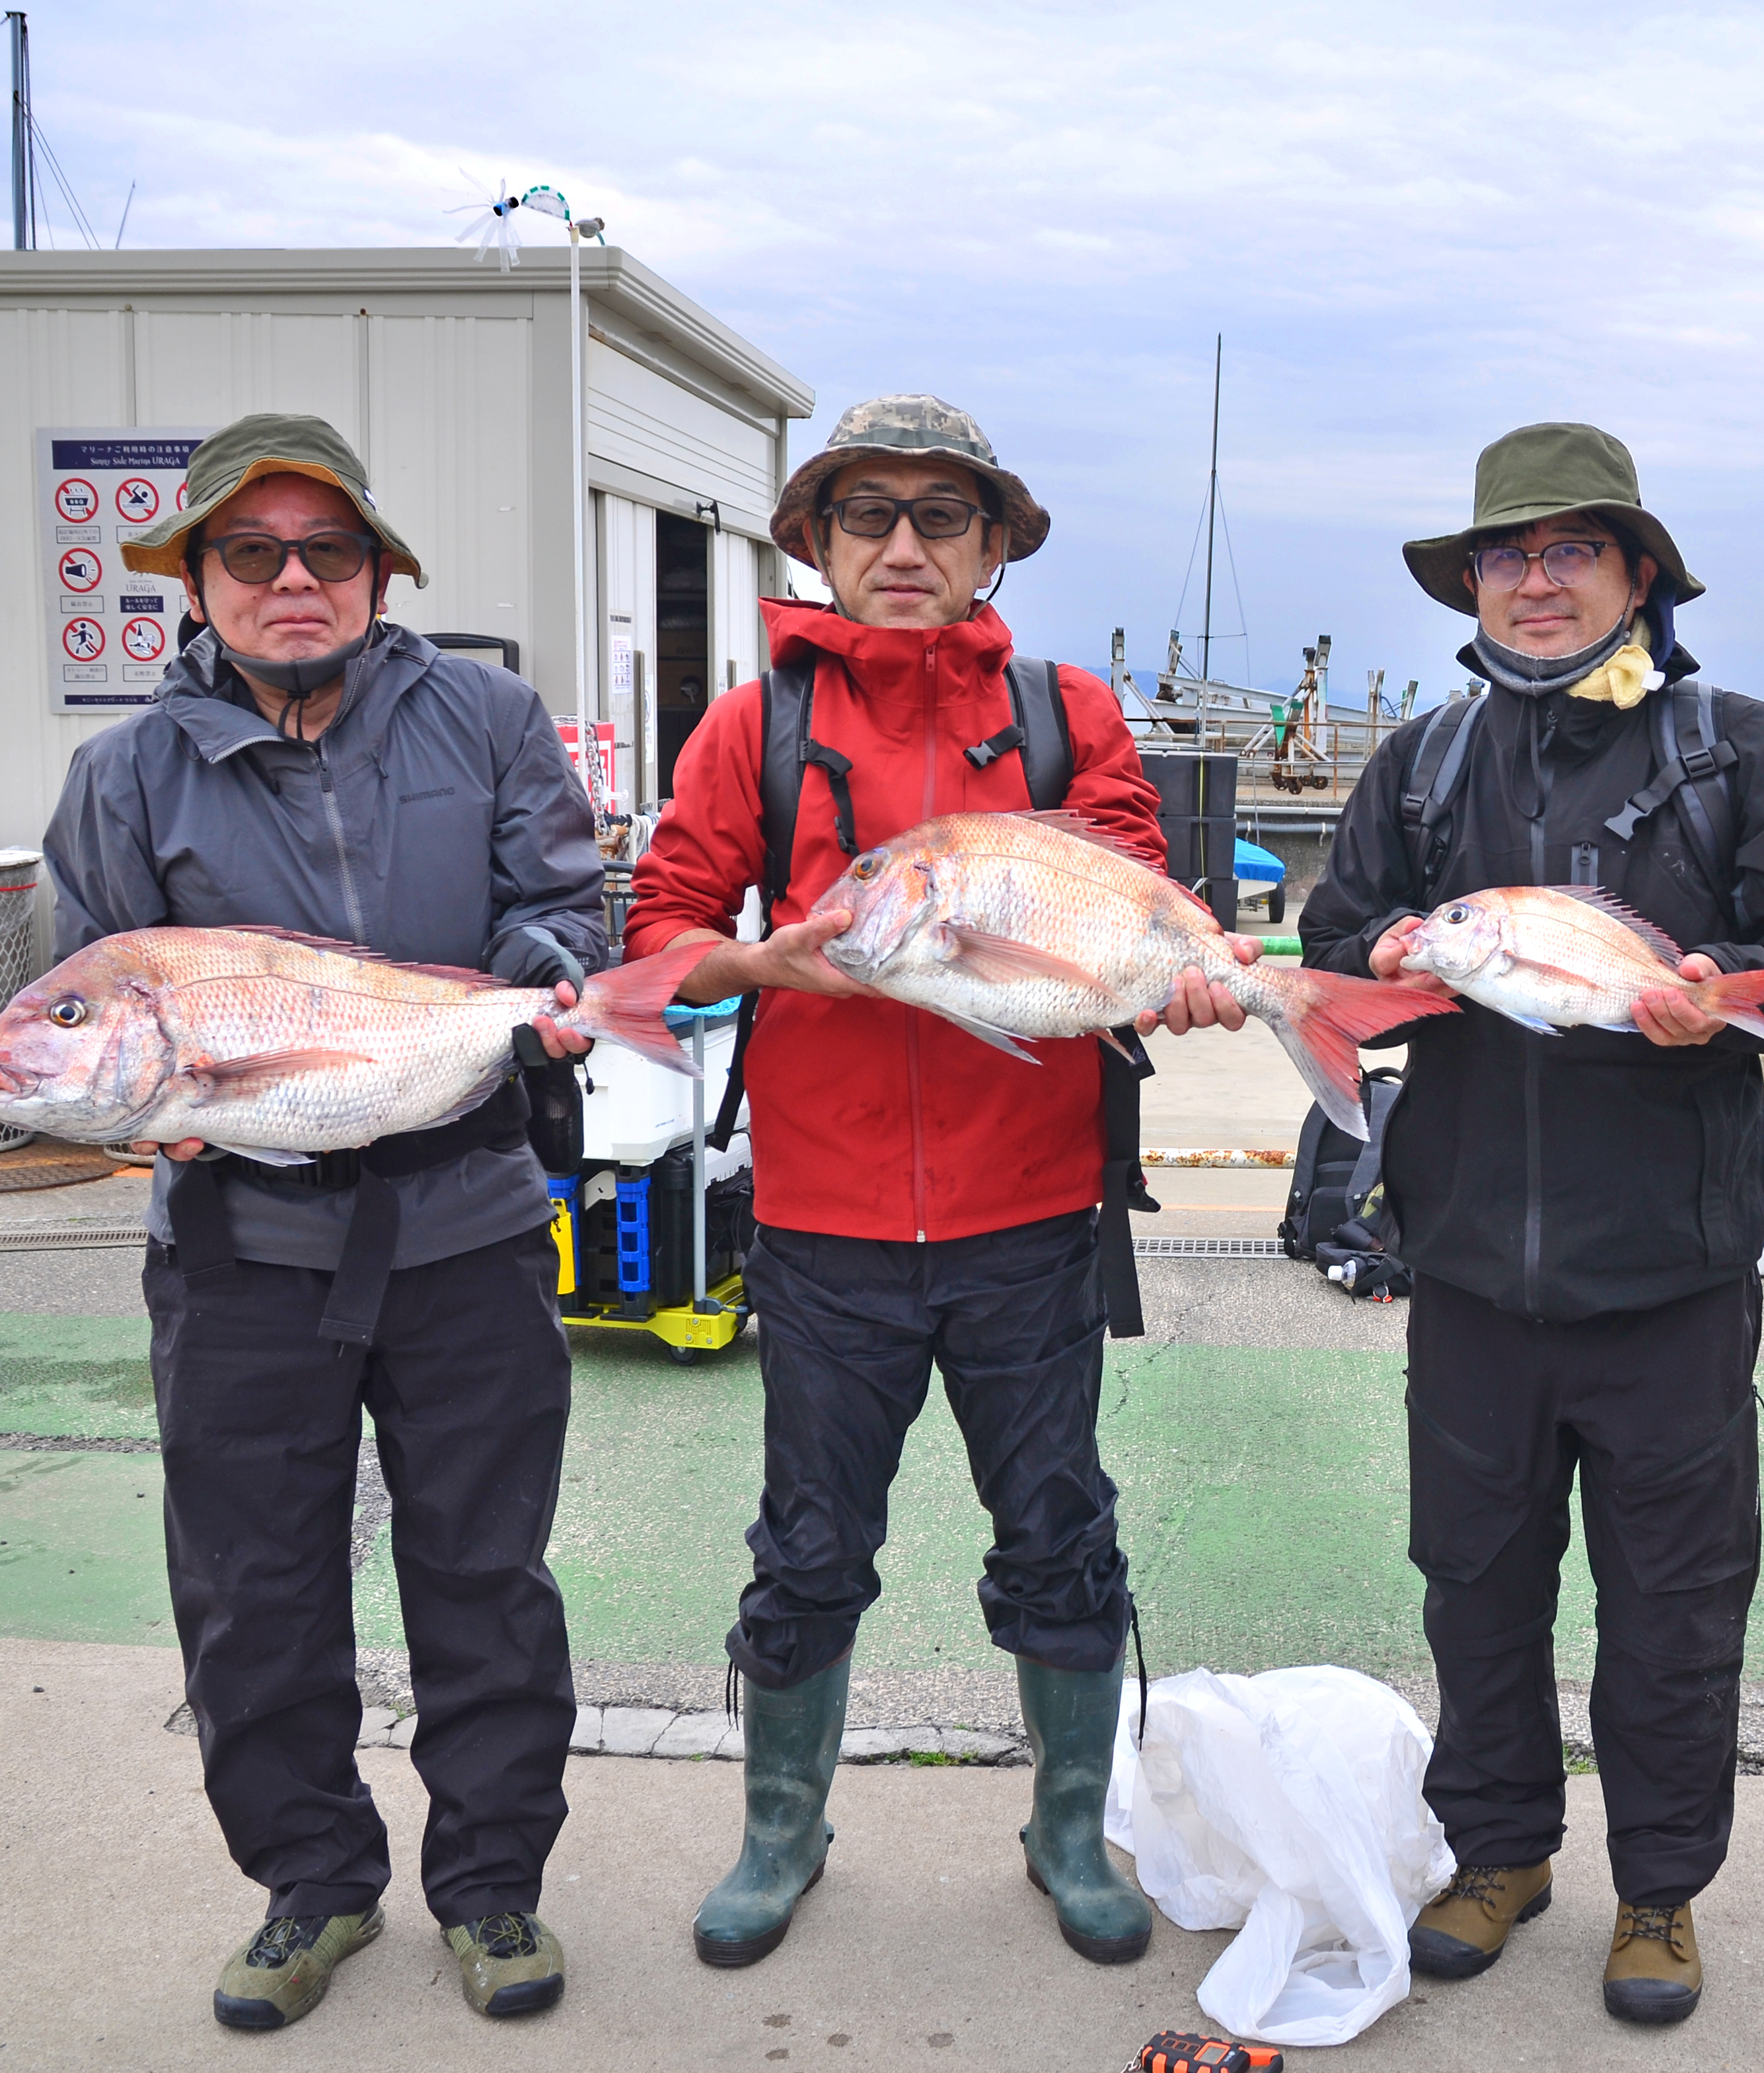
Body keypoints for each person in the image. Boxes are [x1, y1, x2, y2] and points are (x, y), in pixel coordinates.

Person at [627, 396, 1253, 1971]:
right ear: (820, 545)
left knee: (1057, 1529)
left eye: (940, 518)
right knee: (809, 1543)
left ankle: (1065, 1831)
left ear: (990, 548)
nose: (903, 547)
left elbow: (1134, 898)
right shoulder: (750, 725)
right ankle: (782, 1828)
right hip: (825, 1222)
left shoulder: (1068, 713)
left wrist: (1177, 973)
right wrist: (753, 964)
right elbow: (659, 932)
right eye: (867, 517)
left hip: (1030, 1218)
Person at [1302, 422, 1764, 2024]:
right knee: (1473, 1585)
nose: (1534, 581)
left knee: (1675, 1614)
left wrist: (1721, 1006)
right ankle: (1498, 1855)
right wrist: (1394, 959)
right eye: (1505, 554)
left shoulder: (1735, 747)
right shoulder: (1420, 762)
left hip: (1671, 1286)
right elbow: (1338, 954)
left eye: (1570, 551)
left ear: (1635, 576)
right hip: (1470, 1274)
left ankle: (1660, 1892)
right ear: (1471, 584)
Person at [48, 414, 606, 2027]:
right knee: (248, 1588)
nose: (295, 579)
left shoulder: (492, 719)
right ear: (196, 582)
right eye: (252, 553)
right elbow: (91, 992)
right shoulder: (124, 776)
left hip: (468, 1225)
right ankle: (312, 1884)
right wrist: (137, 1112)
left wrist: (547, 987)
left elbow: (558, 907)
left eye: (329, 551)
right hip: (239, 1255)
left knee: (486, 1574)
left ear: (377, 570)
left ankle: (494, 1890)